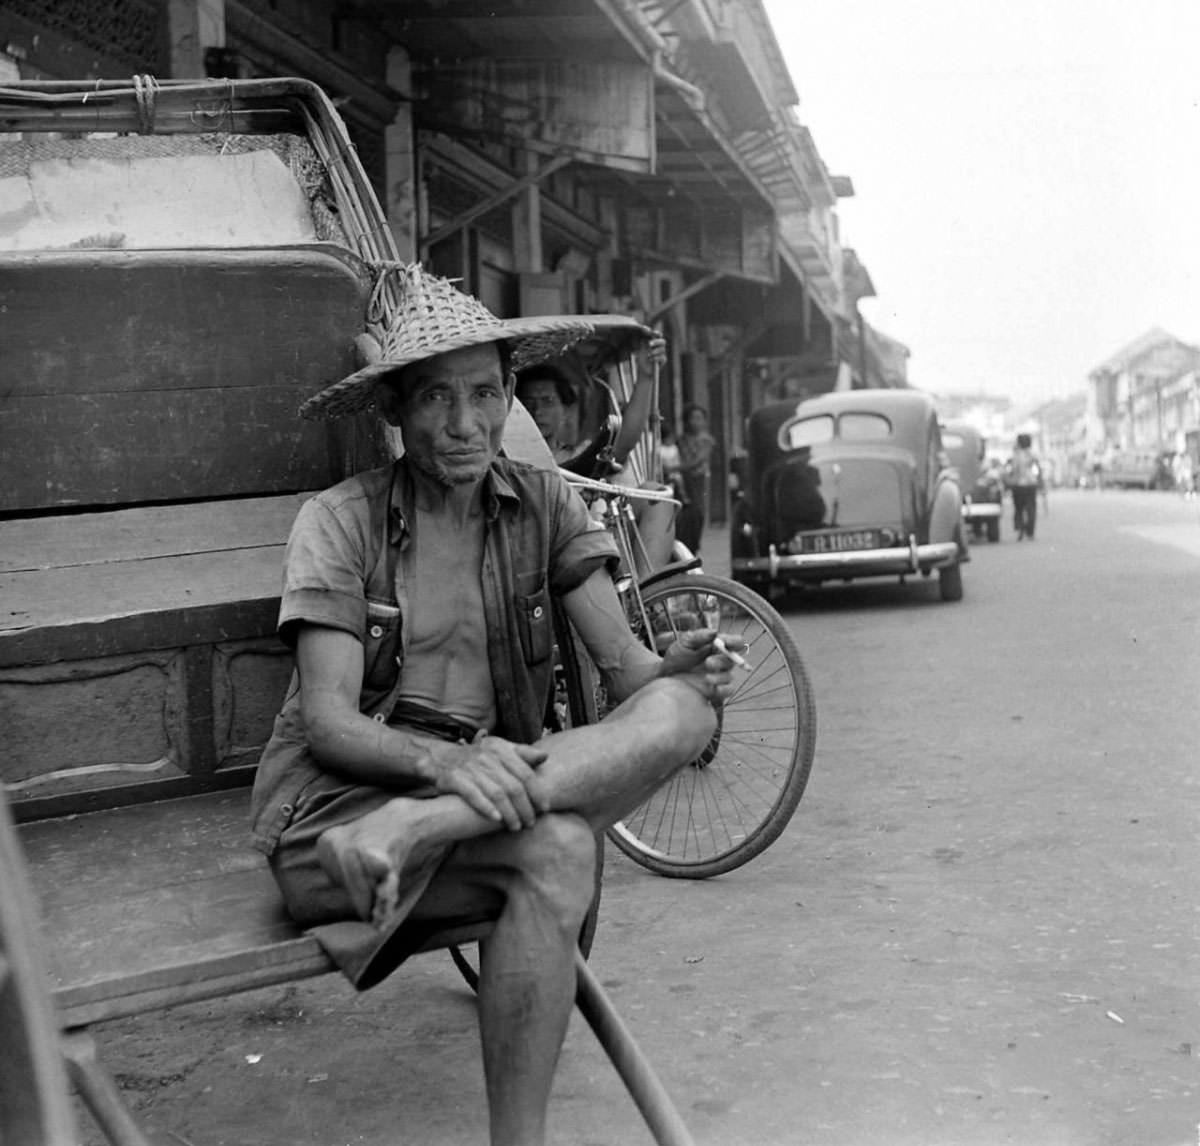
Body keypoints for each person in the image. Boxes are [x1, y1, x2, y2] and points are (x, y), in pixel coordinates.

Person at [251, 264, 742, 1146]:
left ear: (509, 395)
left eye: (484, 393)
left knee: (689, 711)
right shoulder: (339, 522)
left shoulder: (544, 499)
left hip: (476, 804)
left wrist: (676, 663)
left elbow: (627, 671)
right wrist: (447, 764)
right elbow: (329, 721)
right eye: (437, 398)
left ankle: (420, 830)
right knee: (558, 849)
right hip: (337, 822)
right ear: (393, 411)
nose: (466, 423)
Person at [513, 364, 578, 465]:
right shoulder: (507, 461)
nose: (537, 411)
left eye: (548, 402)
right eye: (528, 403)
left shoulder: (575, 458)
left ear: (565, 410)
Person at [676, 404, 715, 555]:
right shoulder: (680, 440)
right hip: (682, 480)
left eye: (699, 418)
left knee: (698, 512)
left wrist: (677, 468)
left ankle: (694, 544)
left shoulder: (707, 440)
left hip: (699, 480)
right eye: (692, 418)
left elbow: (699, 460)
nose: (695, 422)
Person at [1004, 432, 1043, 540]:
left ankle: (1020, 528)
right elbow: (1038, 470)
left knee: (1018, 508)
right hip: (1031, 484)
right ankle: (1030, 531)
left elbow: (1010, 470)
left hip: (1018, 485)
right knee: (1031, 508)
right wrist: (1040, 482)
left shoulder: (1015, 455)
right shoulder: (1033, 455)